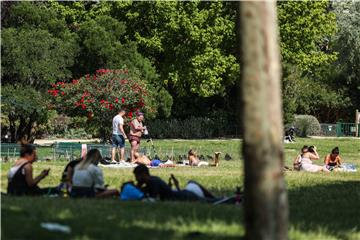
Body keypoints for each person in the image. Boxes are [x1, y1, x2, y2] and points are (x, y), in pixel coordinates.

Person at [133, 164, 202, 201]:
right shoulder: (150, 181)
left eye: (137, 176)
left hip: (185, 196)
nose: (136, 179)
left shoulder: (153, 182)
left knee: (208, 201)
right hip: (183, 194)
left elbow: (152, 199)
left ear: (143, 174)